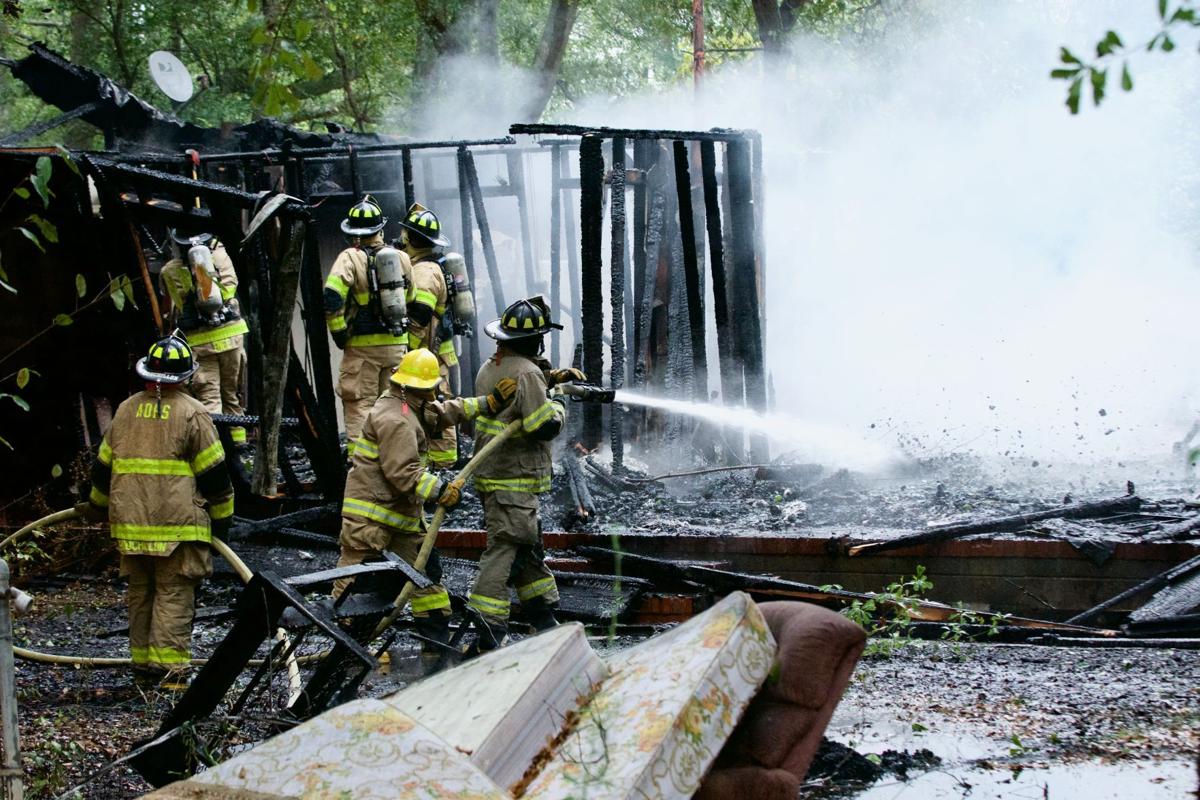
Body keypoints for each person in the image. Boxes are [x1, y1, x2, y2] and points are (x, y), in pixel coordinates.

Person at [335, 348, 516, 647]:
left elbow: (445, 412)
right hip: (372, 519)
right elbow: (403, 473)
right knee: (355, 584)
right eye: (430, 387)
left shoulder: (406, 404)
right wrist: (441, 491)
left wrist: (489, 403)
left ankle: (435, 645)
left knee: (426, 577)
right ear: (417, 386)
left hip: (397, 518)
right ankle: (347, 646)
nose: (433, 393)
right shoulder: (397, 419)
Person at [81, 335, 233, 688]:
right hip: (177, 529)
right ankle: (169, 675)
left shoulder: (125, 410)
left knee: (141, 593)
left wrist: (95, 507)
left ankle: (143, 669)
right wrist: (222, 527)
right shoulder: (193, 414)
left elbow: (103, 469)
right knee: (173, 594)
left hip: (131, 527)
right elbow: (216, 480)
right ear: (185, 377)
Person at [467, 296, 585, 650]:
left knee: (528, 546)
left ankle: (542, 615)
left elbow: (520, 390)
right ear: (534, 340)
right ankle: (488, 626)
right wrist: (561, 402)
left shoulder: (493, 366)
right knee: (505, 547)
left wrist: (551, 377)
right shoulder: (527, 373)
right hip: (513, 478)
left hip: (497, 474)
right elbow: (542, 425)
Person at [323, 195, 412, 445]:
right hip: (396, 346)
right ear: (380, 229)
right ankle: (396, 460)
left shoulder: (349, 257)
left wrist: (339, 333)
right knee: (396, 405)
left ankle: (362, 468)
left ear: (353, 232)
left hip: (362, 350)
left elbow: (331, 297)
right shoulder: (401, 258)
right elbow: (411, 298)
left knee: (361, 405)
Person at [158, 230, 249, 446]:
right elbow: (230, 289)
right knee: (232, 395)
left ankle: (215, 450)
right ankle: (239, 446)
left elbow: (174, 306)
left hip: (201, 344)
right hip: (231, 339)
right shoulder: (221, 256)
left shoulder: (169, 271)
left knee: (210, 400)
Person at [396, 203, 460, 468]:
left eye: (404, 233)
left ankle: (444, 467)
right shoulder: (422, 266)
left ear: (410, 237)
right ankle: (434, 465)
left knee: (436, 409)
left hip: (430, 358)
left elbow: (420, 317)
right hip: (430, 357)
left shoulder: (425, 272)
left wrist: (404, 355)